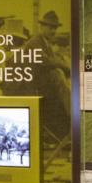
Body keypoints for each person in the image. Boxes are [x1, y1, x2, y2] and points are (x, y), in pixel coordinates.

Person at [22, 10, 70, 139]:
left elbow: (52, 61)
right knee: (59, 79)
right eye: (50, 27)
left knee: (61, 80)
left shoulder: (45, 42)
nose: (53, 31)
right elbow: (46, 61)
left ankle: (64, 134)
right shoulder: (35, 43)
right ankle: (66, 131)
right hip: (35, 86)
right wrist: (65, 67)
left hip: (44, 85)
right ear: (42, 26)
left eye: (55, 28)